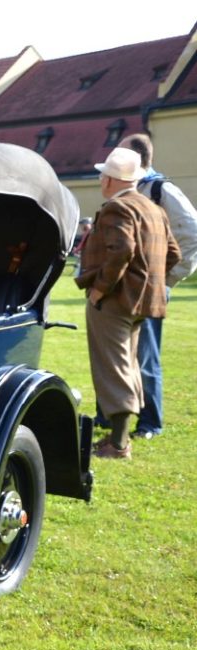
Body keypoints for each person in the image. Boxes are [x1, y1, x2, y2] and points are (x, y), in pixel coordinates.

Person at [75, 147, 179, 460]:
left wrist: (100, 290)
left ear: (109, 180)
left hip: (115, 301)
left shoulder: (116, 208)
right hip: (143, 303)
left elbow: (121, 251)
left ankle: (118, 444)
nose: (99, 178)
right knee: (129, 365)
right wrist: (147, 284)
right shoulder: (152, 208)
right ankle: (118, 438)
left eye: (102, 173)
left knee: (114, 367)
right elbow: (173, 253)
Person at [116, 133, 197, 440]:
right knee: (122, 351)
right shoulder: (130, 187)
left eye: (119, 152)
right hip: (126, 287)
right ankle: (116, 414)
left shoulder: (162, 189)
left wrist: (167, 278)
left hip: (151, 287)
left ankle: (151, 422)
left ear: (136, 157)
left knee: (146, 355)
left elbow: (192, 232)